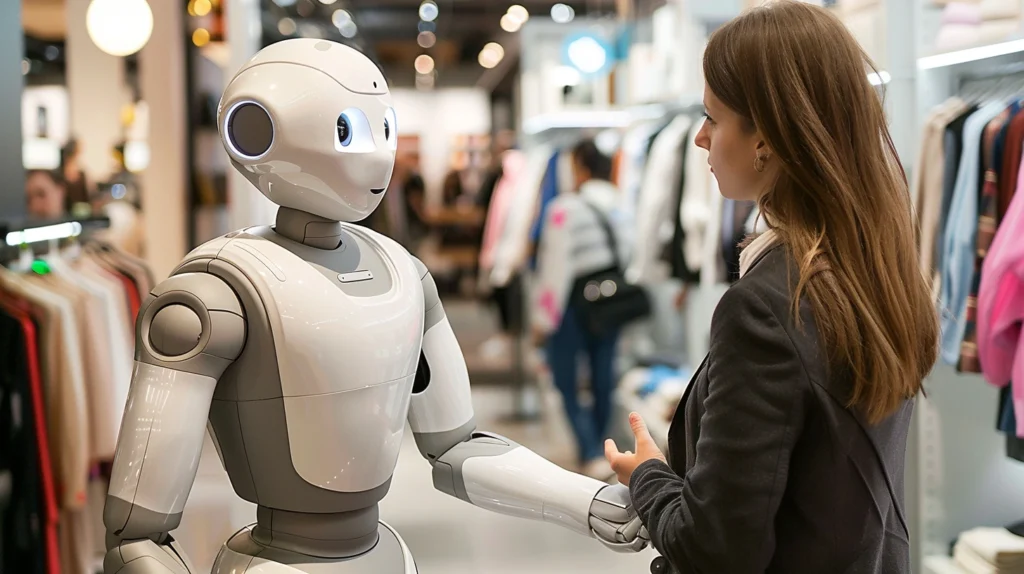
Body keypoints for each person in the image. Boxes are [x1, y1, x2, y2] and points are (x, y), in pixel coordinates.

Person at [604, 2, 938, 573]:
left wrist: (649, 479)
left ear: (768, 138)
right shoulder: (877, 269)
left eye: (714, 118)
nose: (700, 139)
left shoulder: (766, 306)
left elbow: (717, 547)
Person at [533, 138, 630, 480]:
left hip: (573, 307)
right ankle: (605, 449)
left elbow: (555, 267)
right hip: (611, 301)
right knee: (604, 376)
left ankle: (589, 450)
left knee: (565, 379)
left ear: (581, 168)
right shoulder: (622, 203)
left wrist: (543, 319)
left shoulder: (565, 208)